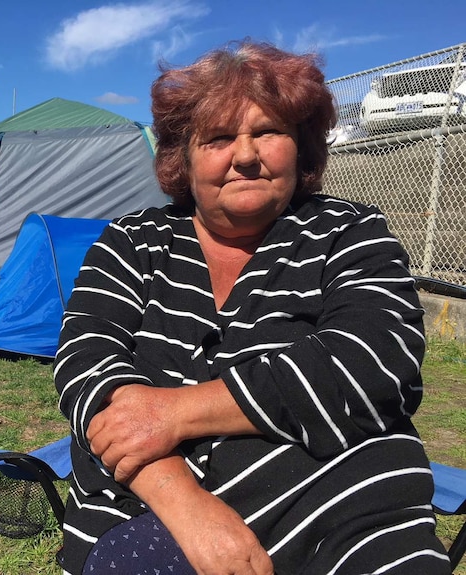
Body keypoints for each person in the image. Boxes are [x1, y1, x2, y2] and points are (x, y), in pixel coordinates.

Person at [53, 40, 450, 575]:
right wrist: (188, 509)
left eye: (267, 132)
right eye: (218, 138)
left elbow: (372, 364)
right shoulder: (132, 242)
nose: (244, 155)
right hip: (149, 504)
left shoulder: (349, 234)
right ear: (182, 158)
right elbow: (86, 367)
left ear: (301, 145)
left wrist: (172, 412)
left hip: (343, 504)